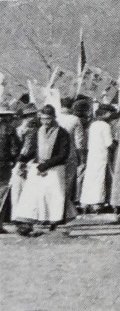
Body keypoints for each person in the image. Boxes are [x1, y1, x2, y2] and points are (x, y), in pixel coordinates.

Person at [12, 105, 77, 236]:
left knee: (55, 196)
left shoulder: (62, 133)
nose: (45, 122)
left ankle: (55, 222)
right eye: (42, 119)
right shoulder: (38, 131)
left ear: (53, 118)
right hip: (39, 166)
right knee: (34, 195)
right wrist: (22, 159)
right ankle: (29, 222)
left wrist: (47, 164)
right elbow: (33, 150)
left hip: (55, 169)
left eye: (48, 119)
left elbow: (63, 154)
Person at [80, 104, 116, 213]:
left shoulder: (93, 125)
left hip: (92, 154)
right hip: (102, 155)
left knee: (90, 178)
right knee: (100, 179)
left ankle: (85, 202)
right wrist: (116, 145)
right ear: (106, 113)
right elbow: (109, 143)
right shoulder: (105, 126)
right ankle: (97, 203)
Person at [56, 98, 88, 208]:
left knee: (56, 180)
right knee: (68, 181)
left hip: (54, 153)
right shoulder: (75, 120)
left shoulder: (55, 118)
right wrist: (82, 158)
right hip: (70, 153)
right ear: (72, 107)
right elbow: (79, 141)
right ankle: (65, 206)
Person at [0, 102, 24, 234]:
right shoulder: (9, 129)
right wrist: (14, 162)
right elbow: (15, 149)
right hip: (4, 164)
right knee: (2, 193)